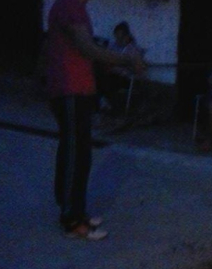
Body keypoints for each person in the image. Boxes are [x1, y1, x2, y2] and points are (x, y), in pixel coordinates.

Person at [46, 0, 145, 240]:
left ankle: (77, 210)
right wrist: (127, 59)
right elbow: (86, 48)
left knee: (81, 153)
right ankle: (71, 220)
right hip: (69, 90)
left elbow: (85, 52)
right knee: (74, 153)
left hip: (80, 91)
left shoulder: (77, 8)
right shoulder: (69, 6)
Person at [97, 21, 145, 112]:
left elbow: (139, 69)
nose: (117, 38)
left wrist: (125, 64)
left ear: (126, 36)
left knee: (104, 79)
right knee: (96, 73)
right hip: (110, 72)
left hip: (124, 77)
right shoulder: (113, 46)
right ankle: (102, 102)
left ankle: (105, 104)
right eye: (116, 36)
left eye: (120, 36)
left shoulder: (133, 49)